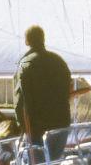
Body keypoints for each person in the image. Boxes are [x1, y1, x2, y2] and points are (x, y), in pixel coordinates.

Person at [14, 25, 72, 155]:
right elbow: (68, 89)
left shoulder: (25, 64)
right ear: (43, 39)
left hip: (37, 128)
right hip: (62, 123)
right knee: (54, 164)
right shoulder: (59, 61)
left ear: (27, 41)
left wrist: (22, 125)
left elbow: (19, 100)